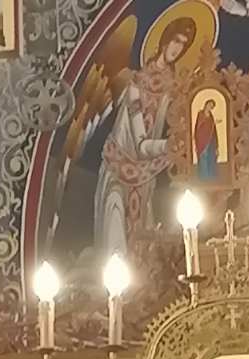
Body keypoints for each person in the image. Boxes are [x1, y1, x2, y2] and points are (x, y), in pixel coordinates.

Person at [94, 18, 196, 255]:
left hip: (144, 178)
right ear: (164, 41)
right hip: (119, 170)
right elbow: (141, 146)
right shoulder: (135, 86)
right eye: (176, 41)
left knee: (144, 251)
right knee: (116, 245)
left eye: (183, 45)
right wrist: (173, 146)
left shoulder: (173, 88)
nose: (177, 48)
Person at [194, 97, 220, 179]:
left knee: (211, 157)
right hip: (202, 140)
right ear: (206, 104)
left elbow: (212, 128)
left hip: (211, 139)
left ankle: (211, 175)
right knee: (203, 157)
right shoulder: (201, 114)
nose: (210, 107)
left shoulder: (211, 116)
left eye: (212, 106)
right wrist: (213, 123)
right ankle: (204, 176)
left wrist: (216, 144)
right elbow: (199, 127)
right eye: (209, 105)